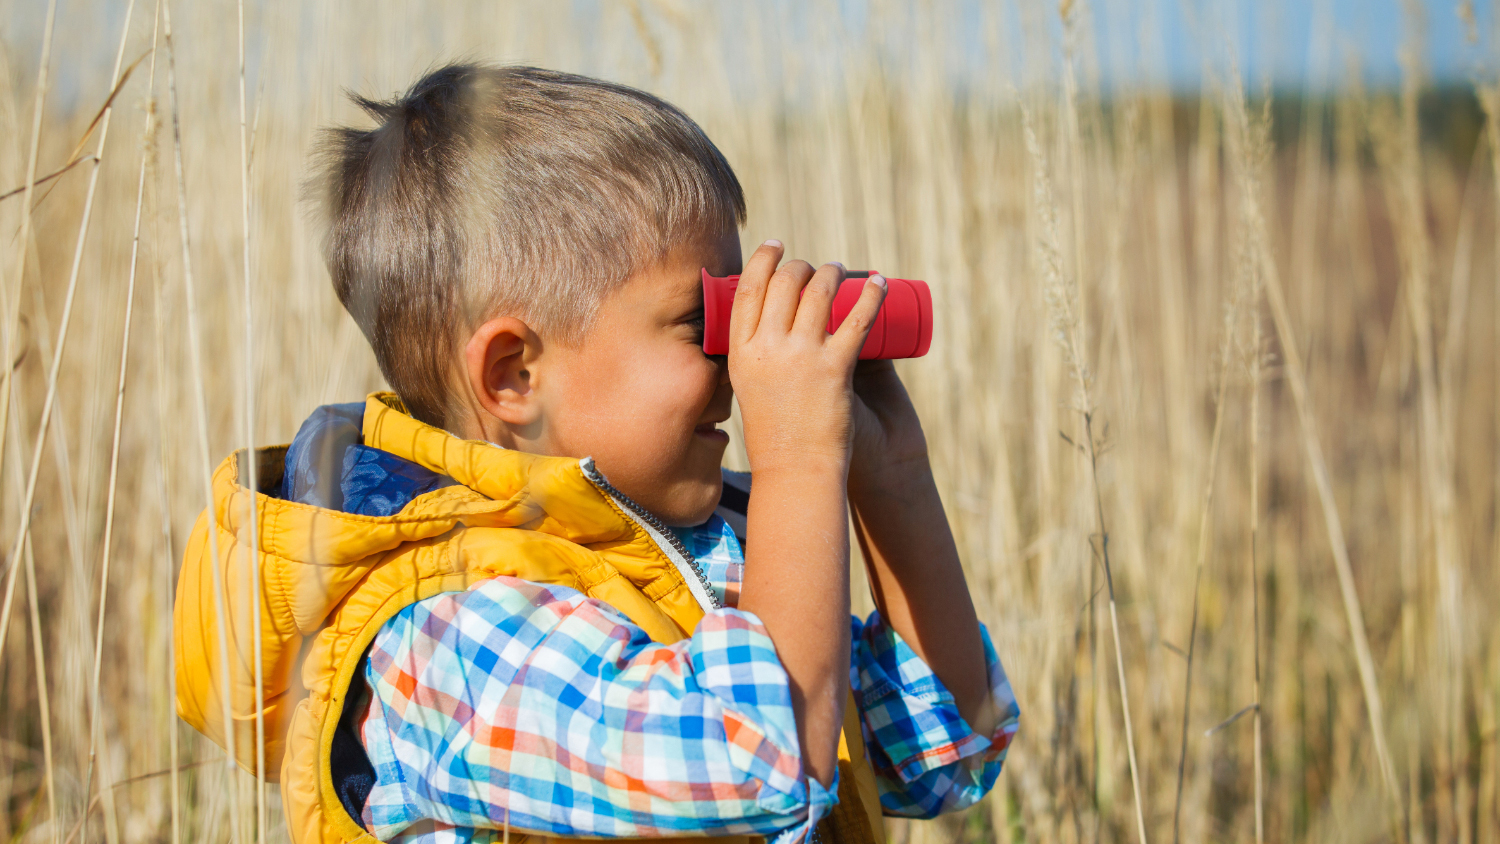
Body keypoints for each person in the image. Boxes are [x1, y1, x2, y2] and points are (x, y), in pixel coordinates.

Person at [174, 64, 1019, 844]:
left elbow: (945, 753)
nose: (739, 362)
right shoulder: (451, 634)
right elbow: (754, 763)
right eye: (705, 323)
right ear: (515, 374)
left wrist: (893, 477)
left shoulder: (705, 549)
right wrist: (799, 463)